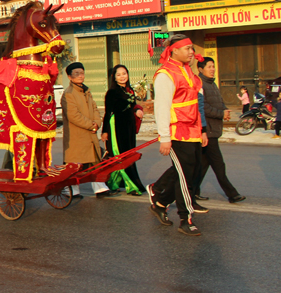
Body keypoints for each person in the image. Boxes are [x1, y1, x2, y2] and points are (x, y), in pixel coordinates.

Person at [148, 33, 207, 237]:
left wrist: (203, 131)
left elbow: (196, 105)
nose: (192, 52)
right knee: (185, 178)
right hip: (177, 132)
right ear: (174, 50)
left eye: (192, 48)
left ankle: (160, 199)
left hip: (193, 131)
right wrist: (164, 137)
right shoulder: (165, 74)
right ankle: (186, 218)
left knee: (190, 172)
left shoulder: (187, 71)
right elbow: (161, 107)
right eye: (188, 49)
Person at [62, 63, 119, 198]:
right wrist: (91, 125)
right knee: (74, 163)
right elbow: (73, 116)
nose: (80, 75)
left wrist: (97, 123)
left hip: (90, 132)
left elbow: (94, 109)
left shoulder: (87, 91)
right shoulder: (68, 94)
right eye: (76, 73)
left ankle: (100, 188)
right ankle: (71, 190)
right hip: (76, 135)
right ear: (69, 77)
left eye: (82, 72)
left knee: (95, 161)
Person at [194, 57, 246, 203]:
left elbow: (219, 102)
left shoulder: (212, 83)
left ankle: (193, 191)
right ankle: (232, 194)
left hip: (214, 129)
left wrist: (225, 110)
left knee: (203, 164)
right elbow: (202, 107)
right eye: (209, 66)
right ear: (200, 69)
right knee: (218, 164)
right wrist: (220, 113)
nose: (212, 69)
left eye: (213, 66)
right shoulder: (200, 84)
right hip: (207, 130)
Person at [101, 65, 145, 195]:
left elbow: (132, 106)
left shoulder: (129, 90)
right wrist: (105, 131)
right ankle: (131, 185)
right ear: (114, 77)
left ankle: (115, 183)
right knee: (121, 155)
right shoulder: (112, 92)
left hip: (129, 127)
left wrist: (137, 110)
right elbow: (108, 113)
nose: (122, 76)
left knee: (129, 154)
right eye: (118, 74)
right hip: (117, 127)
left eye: (124, 73)